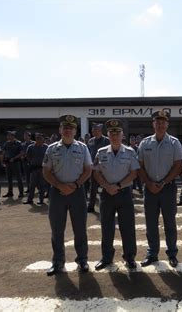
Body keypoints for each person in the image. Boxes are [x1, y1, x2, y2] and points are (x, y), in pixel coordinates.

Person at [42, 115, 92, 276]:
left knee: (80, 229)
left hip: (77, 192)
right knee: (57, 230)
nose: (68, 130)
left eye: (71, 127)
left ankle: (82, 260)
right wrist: (60, 185)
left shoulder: (83, 148)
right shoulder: (52, 149)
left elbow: (88, 170)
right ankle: (57, 262)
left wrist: (76, 185)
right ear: (60, 130)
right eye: (65, 127)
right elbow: (46, 171)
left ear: (75, 130)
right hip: (57, 192)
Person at [137, 110, 182, 268]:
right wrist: (149, 183)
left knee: (170, 223)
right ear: (153, 124)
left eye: (163, 121)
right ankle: (152, 253)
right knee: (151, 223)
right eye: (158, 121)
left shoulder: (174, 143)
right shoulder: (145, 143)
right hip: (149, 189)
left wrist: (163, 182)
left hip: (168, 188)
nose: (161, 124)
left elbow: (178, 166)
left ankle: (172, 253)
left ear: (167, 124)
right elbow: (140, 166)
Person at [93, 119, 139, 270]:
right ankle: (106, 257)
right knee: (107, 227)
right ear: (108, 134)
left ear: (122, 135)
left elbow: (134, 173)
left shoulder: (130, 152)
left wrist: (118, 186)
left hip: (124, 193)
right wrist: (107, 186)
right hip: (107, 194)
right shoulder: (100, 152)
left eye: (117, 133)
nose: (114, 136)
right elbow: (97, 173)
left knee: (127, 227)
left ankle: (130, 257)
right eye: (112, 133)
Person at [86, 123, 110, 212]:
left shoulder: (107, 140)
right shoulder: (91, 141)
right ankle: (91, 206)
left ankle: (107, 205)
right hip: (94, 168)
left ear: (99, 131)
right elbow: (88, 153)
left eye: (94, 130)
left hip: (105, 168)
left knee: (106, 187)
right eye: (92, 130)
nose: (93, 131)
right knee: (93, 188)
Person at [23, 133, 48, 205]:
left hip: (42, 168)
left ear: (43, 139)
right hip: (34, 168)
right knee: (32, 185)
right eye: (37, 138)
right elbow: (28, 156)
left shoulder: (46, 147)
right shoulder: (31, 147)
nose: (39, 139)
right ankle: (30, 199)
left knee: (42, 185)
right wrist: (32, 162)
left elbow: (49, 157)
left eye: (40, 138)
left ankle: (41, 200)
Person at [2, 130, 24, 198]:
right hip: (8, 162)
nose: (7, 136)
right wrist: (3, 161)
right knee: (9, 178)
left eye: (9, 135)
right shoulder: (6, 143)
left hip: (16, 162)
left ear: (13, 136)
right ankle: (10, 192)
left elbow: (21, 153)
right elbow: (4, 152)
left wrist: (14, 158)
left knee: (19, 178)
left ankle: (21, 192)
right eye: (7, 135)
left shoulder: (18, 143)